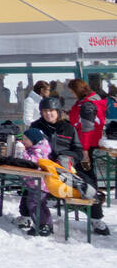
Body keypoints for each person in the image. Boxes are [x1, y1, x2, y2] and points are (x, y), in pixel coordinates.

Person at [39, 98, 108, 235]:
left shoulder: (68, 128)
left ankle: (96, 219)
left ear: (58, 112)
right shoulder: (36, 127)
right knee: (34, 186)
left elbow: (78, 150)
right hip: (44, 168)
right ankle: (29, 217)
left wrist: (68, 157)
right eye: (45, 111)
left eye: (51, 111)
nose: (48, 114)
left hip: (65, 168)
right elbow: (29, 146)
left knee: (88, 184)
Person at [17, 125, 54, 236]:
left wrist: (22, 152)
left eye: (26, 140)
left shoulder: (39, 150)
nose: (24, 142)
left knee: (33, 204)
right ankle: (46, 225)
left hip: (39, 184)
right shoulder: (35, 148)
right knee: (41, 204)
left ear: (33, 140)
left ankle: (42, 225)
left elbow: (32, 162)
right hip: (36, 183)